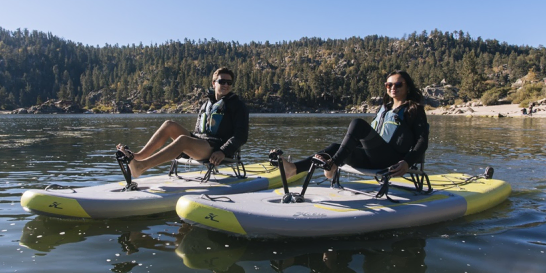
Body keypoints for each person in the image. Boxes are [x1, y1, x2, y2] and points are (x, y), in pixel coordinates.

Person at [281, 70, 429, 179]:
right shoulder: (384, 109)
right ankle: (294, 168)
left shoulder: (414, 110)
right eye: (389, 84)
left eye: (398, 84)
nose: (393, 87)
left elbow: (422, 142)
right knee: (334, 148)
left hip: (391, 161)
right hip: (371, 158)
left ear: (407, 87)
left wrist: (407, 163)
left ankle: (333, 164)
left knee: (358, 124)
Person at [116, 67, 249, 178]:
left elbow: (241, 136)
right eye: (222, 81)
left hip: (217, 148)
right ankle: (137, 157)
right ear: (214, 83)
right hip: (202, 143)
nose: (226, 85)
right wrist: (188, 148)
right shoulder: (206, 104)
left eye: (229, 83)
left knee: (183, 140)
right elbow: (198, 131)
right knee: (169, 125)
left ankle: (141, 167)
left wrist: (223, 151)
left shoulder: (238, 106)